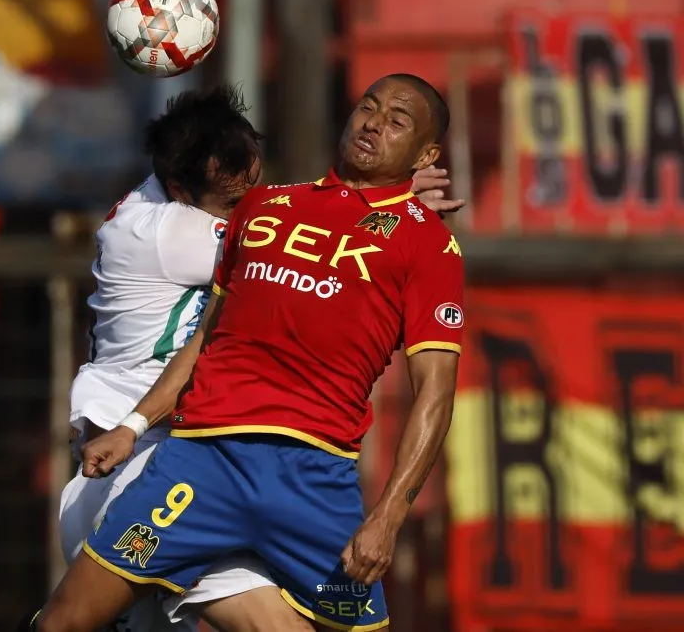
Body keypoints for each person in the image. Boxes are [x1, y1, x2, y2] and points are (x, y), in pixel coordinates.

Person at [34, 73, 464, 632]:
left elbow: (437, 388)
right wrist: (133, 427)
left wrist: (388, 516)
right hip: (201, 464)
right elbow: (206, 340)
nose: (374, 123)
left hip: (313, 482)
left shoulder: (427, 241)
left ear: (427, 152)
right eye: (368, 106)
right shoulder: (263, 207)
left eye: (397, 120)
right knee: (62, 622)